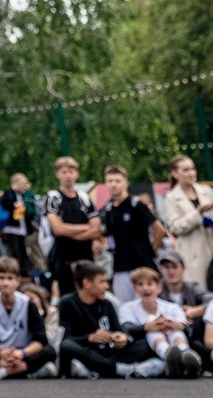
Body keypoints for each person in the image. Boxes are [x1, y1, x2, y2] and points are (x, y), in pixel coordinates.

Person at [55, 262, 144, 378]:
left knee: (144, 344)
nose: (106, 286)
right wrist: (90, 338)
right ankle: (115, 369)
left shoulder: (107, 304)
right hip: (85, 353)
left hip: (107, 354)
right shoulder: (67, 302)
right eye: (101, 281)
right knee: (67, 346)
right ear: (87, 283)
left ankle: (101, 369)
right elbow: (65, 338)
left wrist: (122, 338)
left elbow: (119, 329)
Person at [97, 166, 168, 304]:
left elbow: (159, 230)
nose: (113, 184)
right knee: (124, 307)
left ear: (126, 183)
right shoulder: (108, 209)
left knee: (147, 303)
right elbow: (105, 235)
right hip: (120, 267)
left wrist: (151, 251)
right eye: (110, 181)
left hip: (141, 264)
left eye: (117, 180)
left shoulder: (136, 205)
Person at [155, 155, 213, 290]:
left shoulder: (207, 191)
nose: (191, 173)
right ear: (175, 174)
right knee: (199, 292)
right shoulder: (171, 198)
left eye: (193, 169)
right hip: (192, 255)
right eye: (186, 170)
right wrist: (197, 214)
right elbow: (175, 227)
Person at [120, 266, 196, 377]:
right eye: (140, 284)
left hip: (173, 341)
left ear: (158, 287)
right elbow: (127, 328)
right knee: (152, 322)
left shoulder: (172, 307)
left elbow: (186, 327)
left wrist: (174, 325)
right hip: (143, 349)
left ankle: (183, 354)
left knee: (174, 330)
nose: (145, 288)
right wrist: (148, 326)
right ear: (134, 289)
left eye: (149, 284)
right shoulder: (127, 307)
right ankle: (169, 355)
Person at [42, 156, 102, 296]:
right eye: (63, 172)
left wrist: (68, 230)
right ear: (57, 174)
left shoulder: (85, 199)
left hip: (85, 257)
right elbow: (58, 230)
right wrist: (85, 227)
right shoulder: (53, 198)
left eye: (71, 172)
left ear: (77, 174)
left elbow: (96, 230)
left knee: (88, 294)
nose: (68, 176)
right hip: (63, 259)